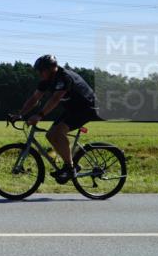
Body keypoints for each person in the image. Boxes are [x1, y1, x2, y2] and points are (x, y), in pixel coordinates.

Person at [15, 54, 100, 183]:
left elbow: (55, 99)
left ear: (51, 68)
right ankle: (70, 165)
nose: (39, 74)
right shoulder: (46, 80)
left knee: (59, 132)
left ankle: (70, 168)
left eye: (41, 71)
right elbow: (34, 98)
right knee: (50, 135)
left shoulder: (64, 77)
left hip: (87, 108)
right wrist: (20, 114)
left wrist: (39, 115)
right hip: (73, 109)